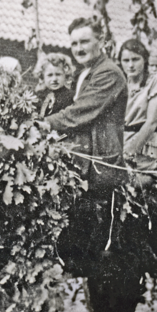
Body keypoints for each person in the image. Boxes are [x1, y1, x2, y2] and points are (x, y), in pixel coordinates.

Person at [36, 17, 128, 196]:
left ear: (101, 41)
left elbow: (79, 113)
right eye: (74, 43)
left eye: (85, 42)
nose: (79, 49)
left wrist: (44, 123)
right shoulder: (85, 73)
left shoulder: (108, 72)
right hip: (83, 163)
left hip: (100, 166)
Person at [120, 39, 157, 160]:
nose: (130, 65)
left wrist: (130, 151)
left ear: (145, 59)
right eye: (126, 60)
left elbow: (152, 122)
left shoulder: (155, 81)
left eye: (135, 59)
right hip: (120, 144)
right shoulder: (121, 82)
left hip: (142, 146)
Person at [33, 53, 75, 118]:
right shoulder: (38, 95)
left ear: (65, 75)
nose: (54, 79)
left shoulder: (71, 96)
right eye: (50, 75)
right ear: (43, 77)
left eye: (58, 74)